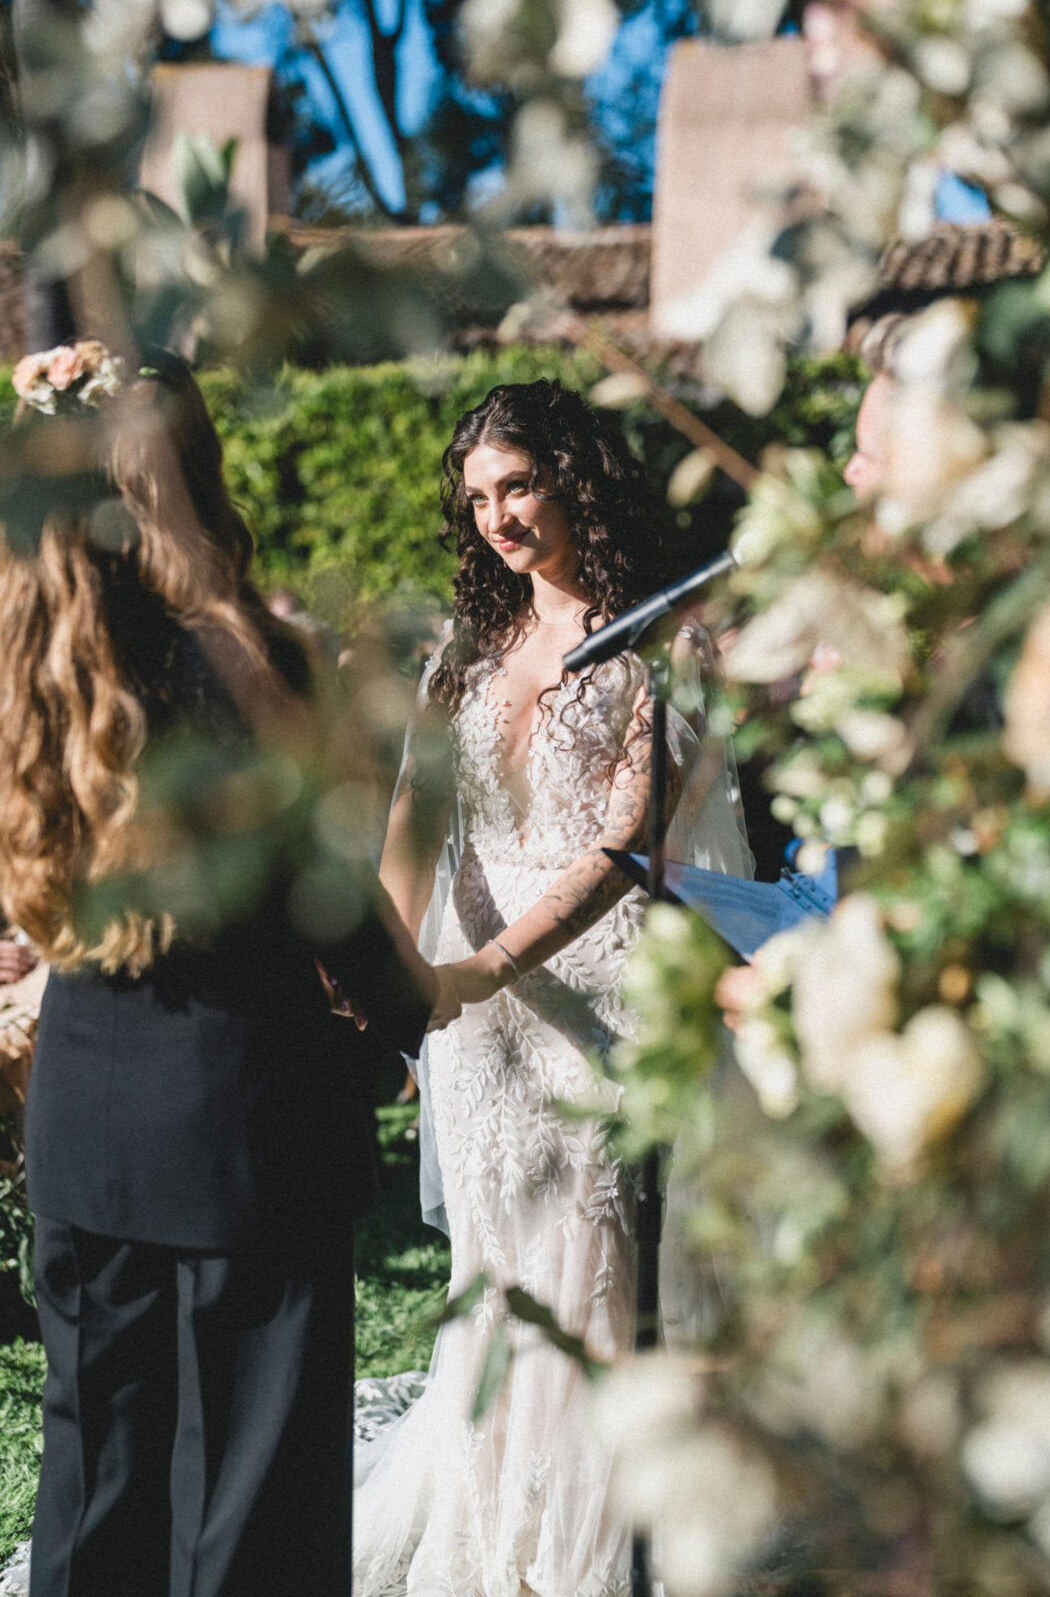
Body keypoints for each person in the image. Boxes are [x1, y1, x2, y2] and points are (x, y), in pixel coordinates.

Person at [0, 343, 454, 1597]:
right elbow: (323, 889)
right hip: (245, 1115)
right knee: (250, 1497)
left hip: (83, 1117)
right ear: (194, 470)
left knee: (94, 1486)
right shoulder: (245, 653)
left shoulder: (25, 663)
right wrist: (417, 998)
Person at [357, 380, 752, 1594]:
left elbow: (625, 840)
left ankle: (581, 1553)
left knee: (584, 1283)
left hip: (597, 1001)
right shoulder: (467, 647)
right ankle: (494, 1528)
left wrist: (478, 968)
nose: (497, 517)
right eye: (477, 497)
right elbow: (413, 813)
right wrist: (391, 969)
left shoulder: (659, 643)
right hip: (469, 1015)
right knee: (494, 1272)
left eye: (518, 485)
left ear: (573, 479)